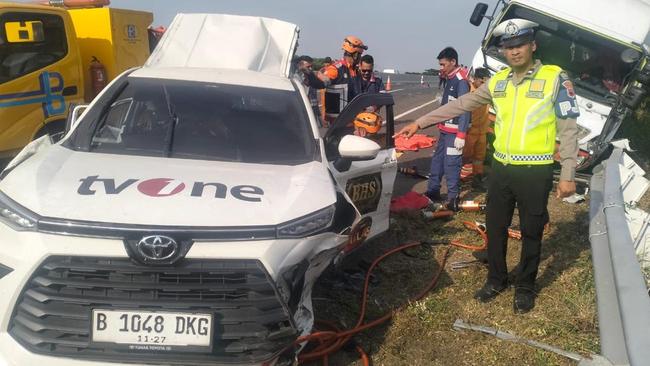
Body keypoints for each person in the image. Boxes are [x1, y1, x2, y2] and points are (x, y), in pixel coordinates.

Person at [395, 18, 579, 313]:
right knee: (495, 227)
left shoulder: (555, 78)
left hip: (536, 171)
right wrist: (420, 122)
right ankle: (496, 279)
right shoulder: (499, 81)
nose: (515, 52)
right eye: (508, 47)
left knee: (532, 231)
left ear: (532, 45)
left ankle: (525, 286)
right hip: (502, 170)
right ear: (503, 51)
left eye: (520, 45)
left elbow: (569, 129)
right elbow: (460, 104)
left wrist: (568, 174)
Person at [421, 47, 471, 211]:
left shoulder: (461, 81)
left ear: (453, 62)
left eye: (443, 64)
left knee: (451, 164)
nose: (441, 68)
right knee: (437, 162)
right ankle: (433, 191)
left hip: (454, 133)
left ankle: (452, 198)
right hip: (444, 131)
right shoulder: (449, 78)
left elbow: (465, 108)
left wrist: (461, 134)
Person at [305, 36, 367, 126]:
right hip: (337, 123)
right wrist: (310, 73)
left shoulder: (355, 71)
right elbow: (319, 84)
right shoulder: (335, 69)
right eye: (359, 55)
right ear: (355, 54)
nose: (360, 58)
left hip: (352, 120)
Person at [462, 67, 491, 189]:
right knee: (464, 156)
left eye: (486, 83)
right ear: (475, 79)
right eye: (481, 82)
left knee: (479, 158)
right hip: (470, 132)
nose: (483, 85)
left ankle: (477, 179)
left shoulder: (488, 93)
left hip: (482, 131)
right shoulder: (467, 92)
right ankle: (458, 180)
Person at [294, 55, 323, 126]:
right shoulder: (294, 78)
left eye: (311, 66)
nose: (310, 69)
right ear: (300, 65)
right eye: (308, 67)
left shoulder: (311, 77)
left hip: (312, 111)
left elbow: (314, 97)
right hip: (300, 112)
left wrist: (318, 115)